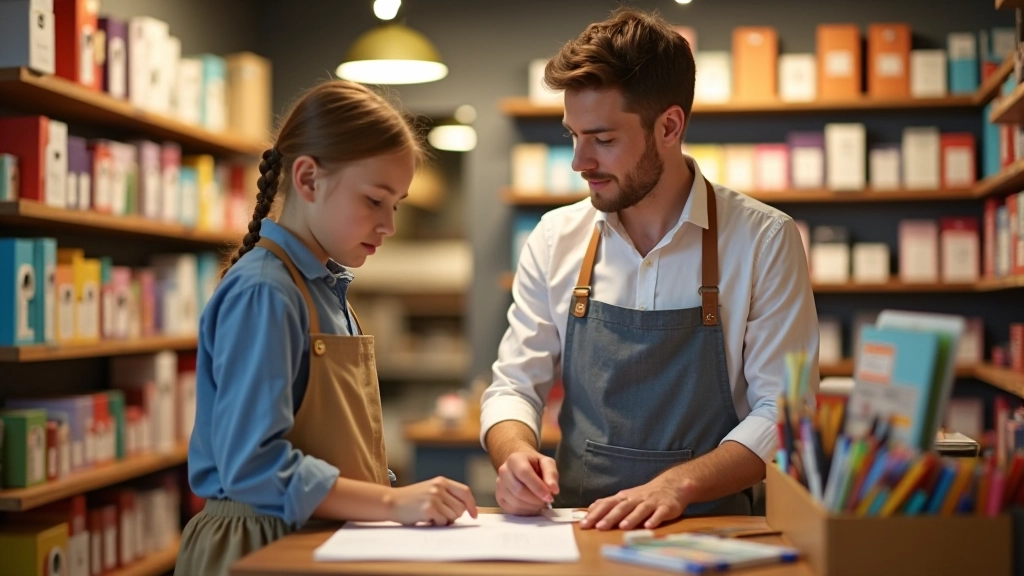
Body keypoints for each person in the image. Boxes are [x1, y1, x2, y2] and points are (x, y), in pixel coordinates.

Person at [481, 8, 819, 531]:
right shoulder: (554, 238)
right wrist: (513, 456)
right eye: (573, 135)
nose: (579, 161)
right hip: (579, 529)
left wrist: (679, 483)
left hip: (709, 533)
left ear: (669, 126)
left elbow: (783, 412)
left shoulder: (763, 239)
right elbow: (512, 386)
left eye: (603, 139)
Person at [176, 80, 477, 576]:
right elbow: (250, 465)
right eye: (374, 201)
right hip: (260, 546)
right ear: (309, 179)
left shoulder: (325, 288)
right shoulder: (266, 292)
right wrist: (391, 504)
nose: (389, 225)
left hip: (314, 537)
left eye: (396, 204)